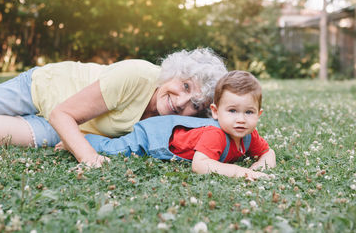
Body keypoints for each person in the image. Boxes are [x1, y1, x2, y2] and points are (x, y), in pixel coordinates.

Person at [0, 48, 227, 167]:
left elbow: (226, 129)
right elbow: (61, 112)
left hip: (63, 128)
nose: (181, 102)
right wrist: (89, 157)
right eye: (186, 86)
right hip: (44, 90)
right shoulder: (138, 75)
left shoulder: (171, 121)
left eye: (194, 103)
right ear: (173, 73)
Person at [80, 70, 276, 180]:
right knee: (113, 149)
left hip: (170, 129)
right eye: (232, 111)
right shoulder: (215, 135)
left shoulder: (250, 136)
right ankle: (81, 140)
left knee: (115, 145)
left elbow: (268, 152)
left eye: (248, 112)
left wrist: (262, 166)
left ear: (258, 114)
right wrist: (243, 172)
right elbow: (200, 165)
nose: (240, 119)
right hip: (154, 137)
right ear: (215, 112)